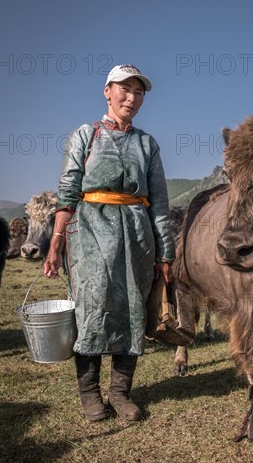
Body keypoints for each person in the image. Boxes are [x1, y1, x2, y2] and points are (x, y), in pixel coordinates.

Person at [44, 64, 175, 422]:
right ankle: (90, 394)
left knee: (133, 309)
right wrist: (56, 242)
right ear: (107, 91)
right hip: (88, 232)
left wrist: (165, 251)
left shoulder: (147, 144)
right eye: (125, 89)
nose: (131, 97)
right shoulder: (85, 135)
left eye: (139, 92)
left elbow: (160, 204)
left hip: (136, 234)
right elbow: (68, 192)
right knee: (91, 307)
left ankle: (120, 393)